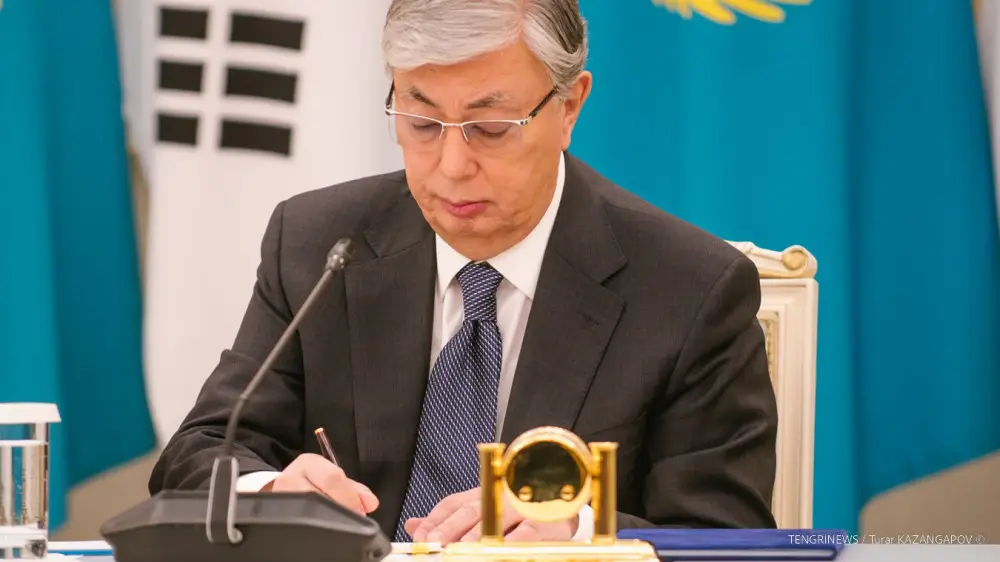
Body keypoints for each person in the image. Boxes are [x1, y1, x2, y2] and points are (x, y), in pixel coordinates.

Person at [148, 0, 779, 544]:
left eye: (490, 127)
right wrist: (269, 491)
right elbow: (201, 452)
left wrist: (579, 532)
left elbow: (728, 538)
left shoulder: (686, 289)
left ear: (569, 107)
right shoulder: (321, 244)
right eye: (422, 123)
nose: (451, 166)